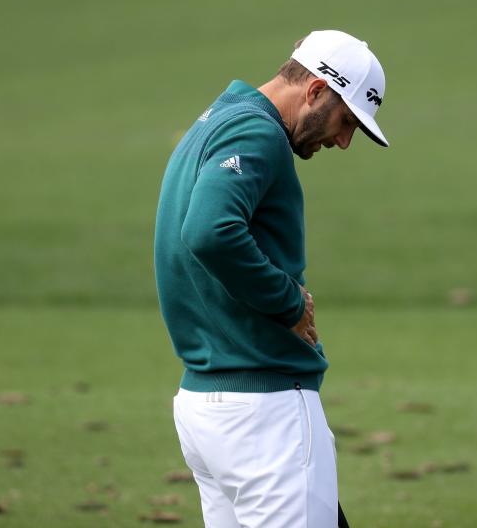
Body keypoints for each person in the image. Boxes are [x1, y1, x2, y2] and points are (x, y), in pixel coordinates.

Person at [153, 29, 388, 528]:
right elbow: (209, 231)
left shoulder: (216, 120)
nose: (344, 141)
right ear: (316, 90)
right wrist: (289, 303)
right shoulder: (255, 133)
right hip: (264, 413)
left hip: (207, 405)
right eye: (346, 122)